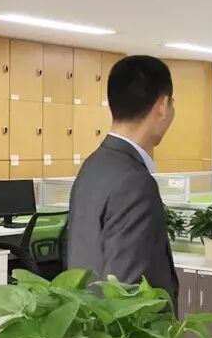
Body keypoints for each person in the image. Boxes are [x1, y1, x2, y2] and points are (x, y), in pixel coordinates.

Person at [66, 55, 178, 301]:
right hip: (121, 324)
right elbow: (128, 291)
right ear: (162, 105)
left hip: (89, 317)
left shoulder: (93, 166)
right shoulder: (135, 183)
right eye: (172, 103)